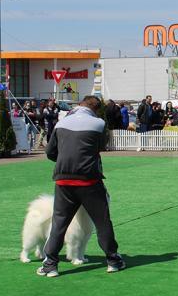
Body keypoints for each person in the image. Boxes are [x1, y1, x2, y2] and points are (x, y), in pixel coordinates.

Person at [39, 96, 125, 277]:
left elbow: (50, 152)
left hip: (63, 181)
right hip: (89, 181)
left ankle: (50, 265)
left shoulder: (62, 122)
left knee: (59, 224)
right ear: (96, 109)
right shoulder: (99, 124)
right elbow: (101, 147)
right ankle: (113, 261)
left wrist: (64, 161)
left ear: (80, 106)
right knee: (103, 222)